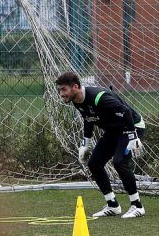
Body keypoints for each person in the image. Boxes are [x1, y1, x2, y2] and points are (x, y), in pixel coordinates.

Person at [56, 72, 146, 218]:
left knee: (119, 162)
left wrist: (133, 136)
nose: (61, 94)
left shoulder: (99, 98)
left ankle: (137, 206)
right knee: (94, 164)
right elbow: (88, 119)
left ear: (76, 87)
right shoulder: (76, 100)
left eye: (64, 89)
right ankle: (112, 205)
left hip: (132, 126)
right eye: (60, 90)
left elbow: (126, 112)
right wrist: (86, 144)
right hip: (114, 130)